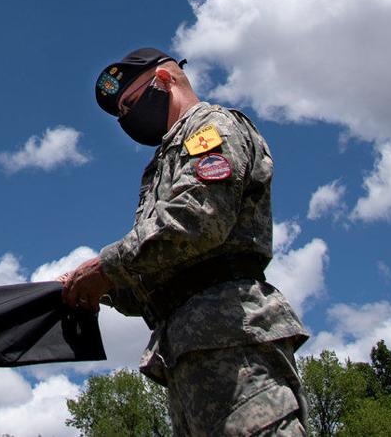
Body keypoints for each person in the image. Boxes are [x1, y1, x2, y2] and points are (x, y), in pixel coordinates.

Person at [60, 48, 309, 436]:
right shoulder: (163, 161)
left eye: (130, 103)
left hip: (234, 342)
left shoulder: (210, 129)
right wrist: (92, 289)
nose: (127, 118)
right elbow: (159, 271)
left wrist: (105, 268)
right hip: (186, 352)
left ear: (164, 81)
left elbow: (196, 221)